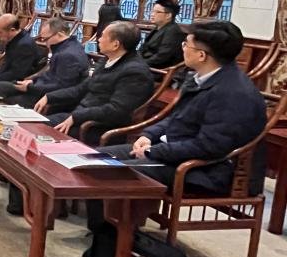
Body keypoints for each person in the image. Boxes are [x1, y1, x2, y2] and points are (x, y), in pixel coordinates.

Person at [88, 21, 268, 231]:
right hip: (175, 153)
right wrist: (148, 135)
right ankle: (105, 236)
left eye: (185, 44)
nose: (182, 49)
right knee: (93, 159)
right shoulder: (201, 78)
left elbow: (210, 147)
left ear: (202, 55)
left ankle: (117, 239)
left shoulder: (233, 93)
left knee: (111, 173)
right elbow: (176, 118)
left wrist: (153, 151)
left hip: (205, 170)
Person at [34, 21, 155, 143]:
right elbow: (81, 89)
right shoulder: (106, 60)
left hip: (97, 127)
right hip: (80, 116)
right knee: (35, 124)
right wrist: (49, 97)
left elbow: (116, 110)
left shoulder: (135, 72)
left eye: (102, 36)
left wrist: (77, 116)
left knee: (41, 133)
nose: (98, 39)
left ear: (115, 44)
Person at [0, 17, 88, 108]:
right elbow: (50, 74)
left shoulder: (68, 55)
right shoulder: (67, 47)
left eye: (46, 39)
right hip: (39, 87)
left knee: (3, 92)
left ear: (60, 34)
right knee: (1, 86)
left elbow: (61, 87)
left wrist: (30, 88)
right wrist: (33, 81)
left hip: (48, 97)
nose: (45, 43)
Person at [0, 14, 43, 92]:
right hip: (10, 77)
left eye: (0, 32)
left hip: (20, 84)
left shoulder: (24, 45)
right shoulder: (15, 40)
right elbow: (7, 67)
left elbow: (17, 74)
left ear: (12, 30)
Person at [140, 0, 186, 69]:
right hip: (145, 64)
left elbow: (162, 56)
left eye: (157, 12)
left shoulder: (173, 31)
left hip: (158, 69)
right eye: (152, 11)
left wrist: (140, 64)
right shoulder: (157, 28)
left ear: (168, 15)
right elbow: (143, 48)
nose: (152, 14)